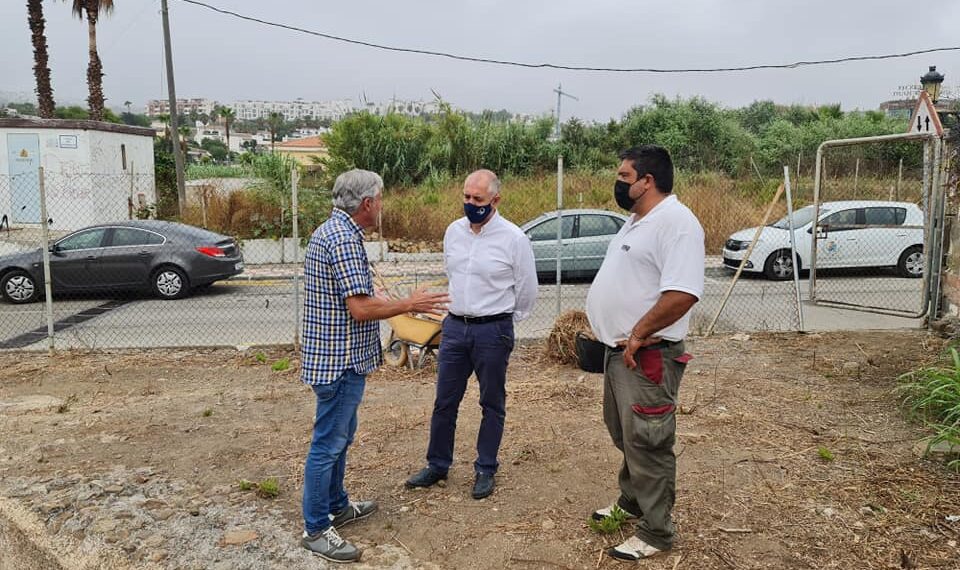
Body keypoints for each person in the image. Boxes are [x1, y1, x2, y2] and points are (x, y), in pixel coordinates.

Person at [299, 169, 449, 564]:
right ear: (367, 203)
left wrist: (382, 294)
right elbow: (361, 308)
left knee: (340, 437)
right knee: (328, 443)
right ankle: (316, 528)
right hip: (339, 361)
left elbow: (356, 294)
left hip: (335, 357)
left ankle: (337, 506)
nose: (381, 206)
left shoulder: (333, 233)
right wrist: (409, 305)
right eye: (380, 199)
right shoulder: (344, 240)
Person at [585, 145, 704, 561]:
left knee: (648, 440)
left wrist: (637, 333)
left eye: (623, 176)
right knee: (625, 433)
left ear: (647, 182)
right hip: (619, 352)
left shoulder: (677, 224)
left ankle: (656, 531)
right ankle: (632, 500)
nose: (618, 183)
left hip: (646, 355)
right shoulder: (637, 221)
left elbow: (683, 293)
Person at [404, 169, 538, 500]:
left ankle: (486, 468)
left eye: (477, 199)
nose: (470, 203)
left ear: (495, 199)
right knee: (445, 400)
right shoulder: (454, 232)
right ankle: (437, 464)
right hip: (454, 329)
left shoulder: (513, 239)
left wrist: (504, 319)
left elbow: (527, 290)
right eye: (466, 197)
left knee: (491, 402)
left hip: (492, 331)